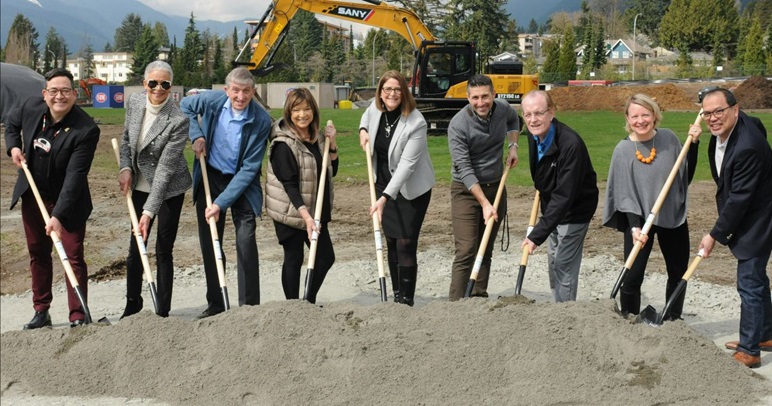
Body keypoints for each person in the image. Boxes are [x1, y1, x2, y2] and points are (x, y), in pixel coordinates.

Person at [5, 68, 100, 329]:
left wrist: (58, 215)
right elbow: (11, 123)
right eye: (54, 91)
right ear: (45, 94)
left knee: (72, 255)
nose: (60, 96)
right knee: (38, 253)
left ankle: (78, 314)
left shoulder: (86, 129)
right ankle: (41, 310)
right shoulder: (31, 107)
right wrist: (13, 146)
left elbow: (75, 177)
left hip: (68, 201)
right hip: (33, 196)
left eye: (66, 91)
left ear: (74, 94)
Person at [180, 67, 272, 319]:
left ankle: (249, 308)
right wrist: (196, 134)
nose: (240, 97)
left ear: (253, 92)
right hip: (211, 176)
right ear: (226, 90)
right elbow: (185, 106)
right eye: (236, 91)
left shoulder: (261, 120)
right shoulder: (211, 100)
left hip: (242, 183)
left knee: (245, 240)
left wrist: (220, 204)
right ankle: (216, 304)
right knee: (211, 241)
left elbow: (250, 168)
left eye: (246, 91)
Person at [602, 94, 702, 319]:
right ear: (627, 118)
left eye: (645, 114)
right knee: (633, 275)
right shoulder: (623, 150)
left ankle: (672, 320)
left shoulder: (669, 139)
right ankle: (629, 318)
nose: (640, 120)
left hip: (671, 216)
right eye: (635, 116)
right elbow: (624, 193)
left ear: (655, 115)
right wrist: (635, 227)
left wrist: (693, 145)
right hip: (638, 222)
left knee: (678, 273)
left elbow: (684, 176)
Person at [696, 88, 772, 369]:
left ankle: (750, 350)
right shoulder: (741, 125)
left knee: (749, 282)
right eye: (707, 113)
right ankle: (765, 334)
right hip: (750, 211)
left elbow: (739, 198)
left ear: (735, 110)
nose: (713, 118)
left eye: (719, 111)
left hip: (759, 218)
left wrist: (715, 234)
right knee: (758, 279)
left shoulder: (748, 145)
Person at [117, 61, 192, 318]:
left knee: (163, 248)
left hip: (169, 188)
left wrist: (148, 213)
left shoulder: (178, 120)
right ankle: (132, 305)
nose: (158, 88)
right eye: (153, 83)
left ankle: (163, 310)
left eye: (165, 84)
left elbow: (165, 170)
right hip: (138, 184)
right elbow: (126, 140)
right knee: (136, 245)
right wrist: (125, 168)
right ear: (144, 84)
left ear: (171, 87)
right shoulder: (136, 103)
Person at [359, 70, 436, 306]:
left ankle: (406, 300)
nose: (391, 94)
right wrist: (363, 131)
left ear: (404, 92)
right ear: (380, 93)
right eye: (387, 89)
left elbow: (406, 166)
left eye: (396, 89)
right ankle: (395, 294)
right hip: (382, 182)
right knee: (391, 241)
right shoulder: (376, 109)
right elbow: (365, 118)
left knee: (405, 242)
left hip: (411, 189)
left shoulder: (416, 122)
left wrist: (384, 198)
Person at [447, 74, 520, 301]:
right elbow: (465, 170)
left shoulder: (503, 108)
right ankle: (456, 303)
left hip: (495, 186)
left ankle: (478, 297)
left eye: (485, 97)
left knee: (485, 247)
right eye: (476, 97)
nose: (481, 102)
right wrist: (485, 203)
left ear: (494, 95)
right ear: (468, 98)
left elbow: (514, 120)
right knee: (467, 249)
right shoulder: (458, 125)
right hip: (466, 191)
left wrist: (514, 146)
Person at [521, 90, 598, 303]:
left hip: (575, 209)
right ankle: (558, 307)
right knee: (554, 260)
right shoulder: (533, 134)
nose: (533, 119)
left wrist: (536, 235)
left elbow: (565, 196)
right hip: (552, 207)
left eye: (539, 113)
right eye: (528, 114)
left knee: (564, 262)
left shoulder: (571, 145)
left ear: (552, 112)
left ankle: (566, 313)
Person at [265, 88, 338, 304]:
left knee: (324, 257)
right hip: (290, 209)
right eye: (297, 110)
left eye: (307, 109)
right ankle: (293, 306)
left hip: (316, 208)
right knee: (294, 257)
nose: (302, 114)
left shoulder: (317, 137)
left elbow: (331, 169)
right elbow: (289, 186)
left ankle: (308, 302)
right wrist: (306, 217)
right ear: (289, 112)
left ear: (313, 111)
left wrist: (332, 144)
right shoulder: (282, 143)